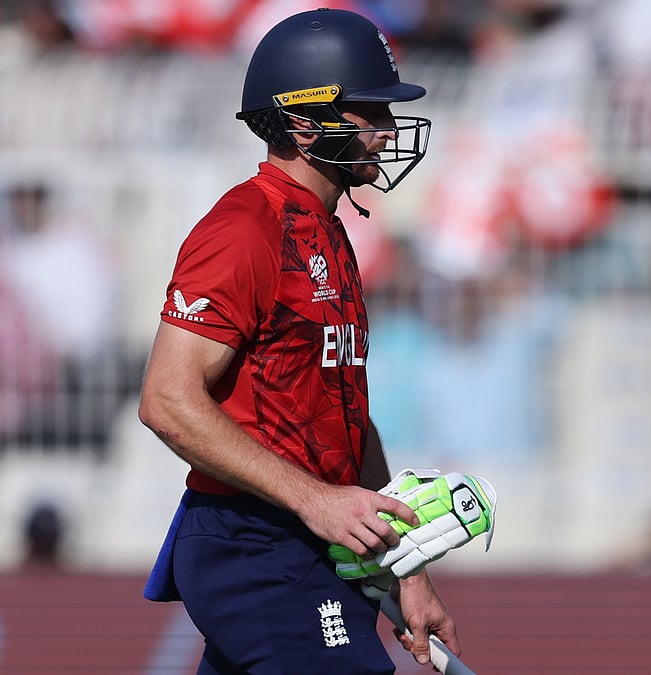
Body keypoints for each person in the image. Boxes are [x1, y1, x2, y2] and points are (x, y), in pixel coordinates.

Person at [137, 8, 450, 673]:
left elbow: (344, 419)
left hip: (312, 538)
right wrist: (314, 499)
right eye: (371, 112)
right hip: (254, 540)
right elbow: (166, 399)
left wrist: (405, 565)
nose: (389, 131)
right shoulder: (245, 226)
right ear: (306, 122)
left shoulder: (329, 231)